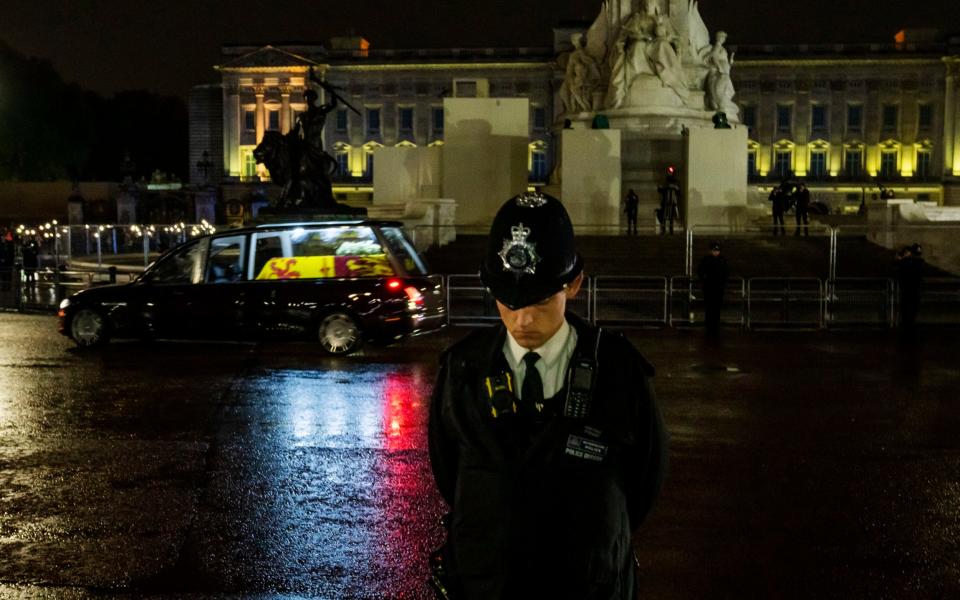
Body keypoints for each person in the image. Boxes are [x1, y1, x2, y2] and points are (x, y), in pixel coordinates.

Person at [428, 191, 667, 599]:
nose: (523, 319)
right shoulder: (461, 370)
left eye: (540, 301)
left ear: (575, 284)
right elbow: (449, 474)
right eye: (508, 301)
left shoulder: (620, 371)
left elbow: (644, 482)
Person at [702, 31, 738, 120]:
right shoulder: (718, 46)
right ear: (719, 38)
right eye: (722, 37)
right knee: (722, 92)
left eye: (724, 38)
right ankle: (720, 105)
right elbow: (713, 56)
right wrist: (720, 68)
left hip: (724, 72)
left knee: (725, 91)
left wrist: (729, 62)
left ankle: (720, 105)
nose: (723, 39)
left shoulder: (721, 47)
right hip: (720, 73)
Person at [697, 241, 728, 336]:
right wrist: (704, 279)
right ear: (711, 251)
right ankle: (709, 325)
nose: (716, 252)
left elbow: (726, 272)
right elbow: (700, 271)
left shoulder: (722, 260)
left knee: (717, 307)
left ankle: (715, 324)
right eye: (714, 250)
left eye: (717, 250)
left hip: (718, 287)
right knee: (709, 307)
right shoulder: (706, 260)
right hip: (709, 287)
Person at [897, 243, 924, 333]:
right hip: (913, 289)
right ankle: (909, 325)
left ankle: (908, 326)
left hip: (908, 289)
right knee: (912, 309)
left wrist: (901, 260)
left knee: (908, 309)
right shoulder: (918, 262)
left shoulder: (908, 262)